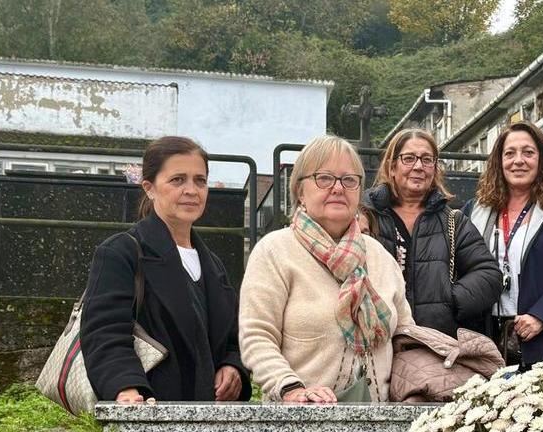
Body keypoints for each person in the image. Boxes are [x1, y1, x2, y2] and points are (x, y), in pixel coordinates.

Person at [239, 135, 414, 403]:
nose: (338, 188)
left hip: (378, 422)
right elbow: (257, 335)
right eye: (324, 178)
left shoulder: (379, 256)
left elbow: (406, 337)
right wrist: (291, 388)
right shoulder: (275, 250)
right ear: (299, 190)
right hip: (300, 419)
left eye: (349, 180)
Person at [81, 136, 250, 404]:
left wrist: (233, 367)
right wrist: (125, 387)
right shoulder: (121, 252)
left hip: (210, 418)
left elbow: (233, 337)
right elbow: (105, 332)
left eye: (200, 180)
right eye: (177, 180)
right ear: (149, 188)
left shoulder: (213, 264)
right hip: (148, 408)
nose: (192, 190)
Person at [463, 121, 543, 368]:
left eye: (528, 153)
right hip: (486, 339)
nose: (518, 160)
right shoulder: (475, 211)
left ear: (542, 160)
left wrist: (541, 316)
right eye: (509, 153)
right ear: (499, 162)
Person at [363, 129, 501, 337]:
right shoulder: (367, 215)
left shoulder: (453, 221)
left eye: (427, 160)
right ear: (392, 167)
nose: (418, 166)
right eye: (409, 158)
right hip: (377, 338)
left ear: (434, 169)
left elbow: (489, 275)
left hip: (433, 346)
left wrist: (449, 301)